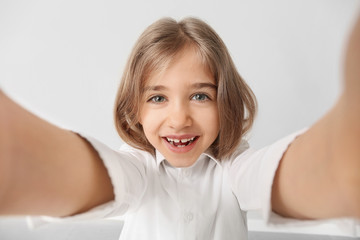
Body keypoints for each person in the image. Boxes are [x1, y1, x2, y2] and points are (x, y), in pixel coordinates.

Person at [0, 15, 359, 240]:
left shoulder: (235, 164)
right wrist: (32, 167)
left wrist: (335, 168)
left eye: (200, 97)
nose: (179, 118)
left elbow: (263, 177)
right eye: (158, 98)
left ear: (225, 103)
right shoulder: (137, 163)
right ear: (134, 110)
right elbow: (115, 181)